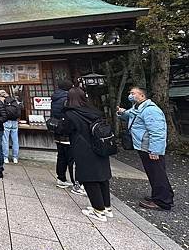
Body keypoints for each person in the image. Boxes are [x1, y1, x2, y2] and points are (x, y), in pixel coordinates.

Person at [117, 87, 174, 211]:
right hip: (143, 145)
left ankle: (162, 201)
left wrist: (155, 150)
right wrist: (123, 113)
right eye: (130, 93)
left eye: (133, 93)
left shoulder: (151, 110)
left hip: (149, 147)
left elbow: (158, 131)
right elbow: (133, 117)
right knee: (155, 172)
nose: (130, 95)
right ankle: (163, 195)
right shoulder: (138, 108)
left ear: (142, 96)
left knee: (157, 173)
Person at [63, 87, 113, 222]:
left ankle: (98, 210)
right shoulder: (94, 110)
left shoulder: (71, 114)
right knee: (102, 177)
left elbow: (66, 129)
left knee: (90, 179)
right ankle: (107, 207)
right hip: (101, 146)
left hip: (83, 148)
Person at [50, 80, 79, 191]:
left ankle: (61, 178)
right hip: (67, 130)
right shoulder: (67, 98)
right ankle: (75, 181)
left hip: (58, 129)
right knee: (71, 157)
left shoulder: (55, 97)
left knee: (61, 156)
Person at [0, 89, 20, 164]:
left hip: (6, 121)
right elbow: (18, 111)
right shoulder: (13, 101)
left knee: (5, 140)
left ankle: (5, 157)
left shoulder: (2, 101)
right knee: (15, 141)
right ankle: (15, 158)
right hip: (15, 122)